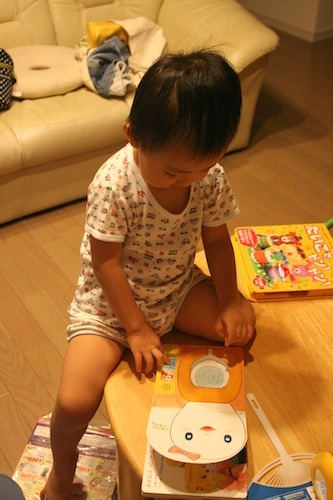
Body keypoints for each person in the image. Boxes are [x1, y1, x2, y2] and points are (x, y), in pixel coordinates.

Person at [41, 50, 255, 499]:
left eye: (201, 168)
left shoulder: (207, 177)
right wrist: (135, 330)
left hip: (176, 288)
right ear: (133, 136)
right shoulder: (113, 184)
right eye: (173, 171)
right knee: (74, 401)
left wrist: (231, 299)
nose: (186, 181)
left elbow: (216, 242)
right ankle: (60, 474)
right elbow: (105, 263)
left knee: (236, 329)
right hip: (110, 305)